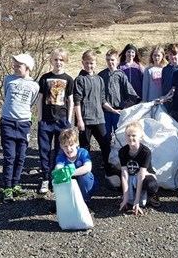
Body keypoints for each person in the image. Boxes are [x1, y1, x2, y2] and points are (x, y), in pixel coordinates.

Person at [0, 53, 40, 203]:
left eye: (19, 66)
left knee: (21, 157)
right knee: (10, 157)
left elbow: (32, 102)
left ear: (27, 68)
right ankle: (7, 187)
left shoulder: (34, 85)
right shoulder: (8, 79)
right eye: (14, 65)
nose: (15, 68)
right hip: (8, 122)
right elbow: (6, 95)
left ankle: (16, 183)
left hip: (23, 123)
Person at [36, 48, 74, 194]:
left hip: (62, 121)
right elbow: (40, 98)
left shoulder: (68, 79)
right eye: (56, 59)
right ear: (51, 61)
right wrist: (39, 118)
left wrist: (68, 120)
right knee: (44, 150)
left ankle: (55, 177)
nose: (58, 62)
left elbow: (70, 100)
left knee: (60, 151)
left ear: (65, 61)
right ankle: (45, 178)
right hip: (45, 121)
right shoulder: (45, 78)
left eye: (61, 60)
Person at [74, 50, 117, 178]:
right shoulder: (79, 79)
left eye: (91, 63)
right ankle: (84, 174)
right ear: (83, 63)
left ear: (96, 63)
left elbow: (103, 100)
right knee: (85, 147)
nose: (89, 66)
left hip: (99, 118)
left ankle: (108, 171)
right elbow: (77, 101)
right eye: (86, 63)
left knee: (105, 143)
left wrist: (112, 110)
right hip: (85, 120)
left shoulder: (99, 79)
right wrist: (79, 120)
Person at [98, 49, 139, 166]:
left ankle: (120, 160)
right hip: (105, 110)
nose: (110, 62)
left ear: (117, 61)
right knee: (105, 137)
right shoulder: (102, 75)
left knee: (120, 136)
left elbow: (130, 92)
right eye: (108, 60)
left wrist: (127, 106)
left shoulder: (121, 75)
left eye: (112, 60)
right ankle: (106, 160)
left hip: (118, 111)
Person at [118, 121, 161, 215]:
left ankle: (150, 196)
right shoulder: (122, 151)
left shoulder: (146, 152)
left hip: (144, 176)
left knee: (151, 185)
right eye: (128, 135)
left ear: (140, 137)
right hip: (130, 175)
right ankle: (126, 197)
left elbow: (141, 175)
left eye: (134, 135)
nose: (131, 138)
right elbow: (124, 174)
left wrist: (137, 201)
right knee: (117, 180)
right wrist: (125, 198)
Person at [53, 128, 97, 205]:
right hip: (70, 184)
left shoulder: (82, 152)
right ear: (61, 146)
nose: (68, 149)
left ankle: (85, 200)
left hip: (86, 184)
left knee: (86, 176)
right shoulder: (61, 156)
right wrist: (60, 172)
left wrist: (70, 173)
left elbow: (88, 167)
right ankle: (64, 201)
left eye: (71, 145)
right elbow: (58, 168)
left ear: (77, 143)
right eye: (65, 146)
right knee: (58, 176)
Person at [160, 43, 178, 112]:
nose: (172, 57)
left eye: (174, 54)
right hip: (166, 103)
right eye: (170, 54)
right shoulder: (165, 69)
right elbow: (163, 85)